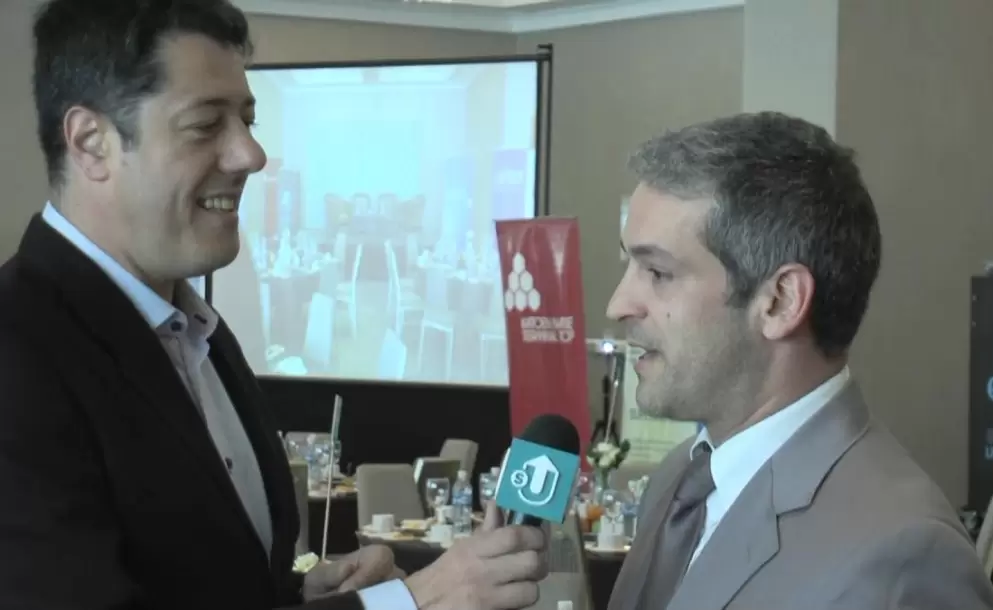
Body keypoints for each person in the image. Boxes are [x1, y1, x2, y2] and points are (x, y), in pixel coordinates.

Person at [0, 1, 547, 609]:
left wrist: (301, 594)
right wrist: (410, 605)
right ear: (91, 143)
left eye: (247, 120)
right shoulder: (19, 346)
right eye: (206, 124)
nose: (250, 155)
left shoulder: (198, 334)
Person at [606, 112, 993, 610]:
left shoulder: (904, 557)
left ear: (780, 302)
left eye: (658, 272)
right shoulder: (678, 481)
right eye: (630, 266)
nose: (618, 305)